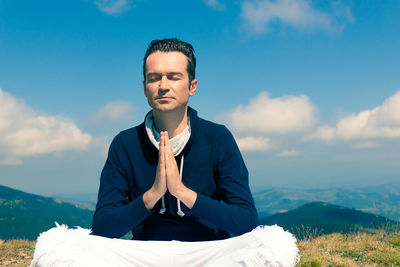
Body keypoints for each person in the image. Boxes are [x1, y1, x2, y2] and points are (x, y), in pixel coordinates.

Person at [91, 38, 258, 241]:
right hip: (145, 254)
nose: (163, 86)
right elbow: (102, 227)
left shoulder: (217, 138)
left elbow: (246, 221)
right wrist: (153, 194)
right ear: (145, 88)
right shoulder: (125, 143)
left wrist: (181, 192)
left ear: (192, 86)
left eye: (173, 77)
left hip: (210, 253)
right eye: (154, 78)